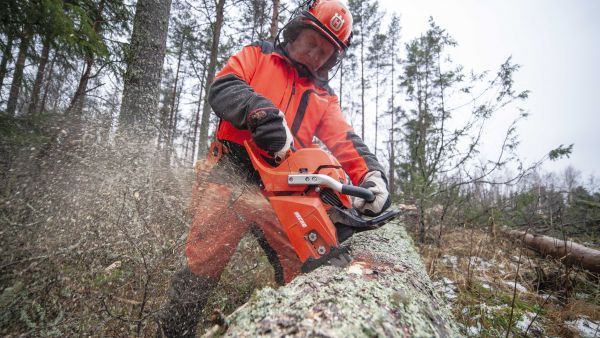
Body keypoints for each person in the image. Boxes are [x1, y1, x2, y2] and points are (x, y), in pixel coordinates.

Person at [158, 0, 391, 336]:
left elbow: (345, 140)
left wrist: (371, 174)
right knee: (198, 270)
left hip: (283, 194)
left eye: (325, 52)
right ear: (297, 32)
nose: (315, 55)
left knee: (305, 268)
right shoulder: (259, 55)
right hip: (231, 177)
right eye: (312, 43)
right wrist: (259, 111)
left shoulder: (323, 96)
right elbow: (224, 87)